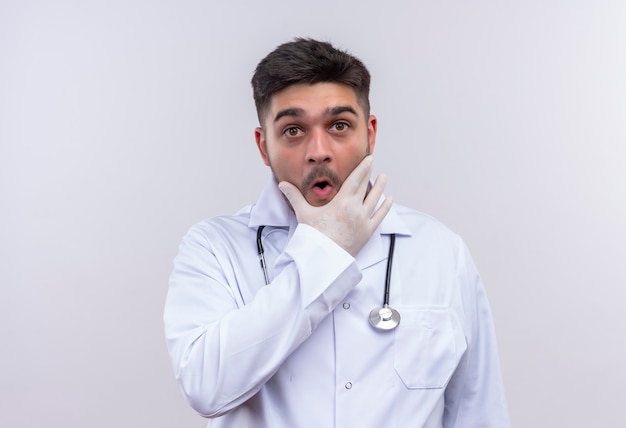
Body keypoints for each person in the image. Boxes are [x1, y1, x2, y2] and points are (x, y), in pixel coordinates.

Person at [164, 37, 510, 427]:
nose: (319, 150)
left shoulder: (440, 251)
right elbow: (205, 387)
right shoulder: (214, 248)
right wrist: (325, 248)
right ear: (264, 147)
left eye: (339, 125)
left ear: (370, 133)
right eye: (293, 130)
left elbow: (479, 413)